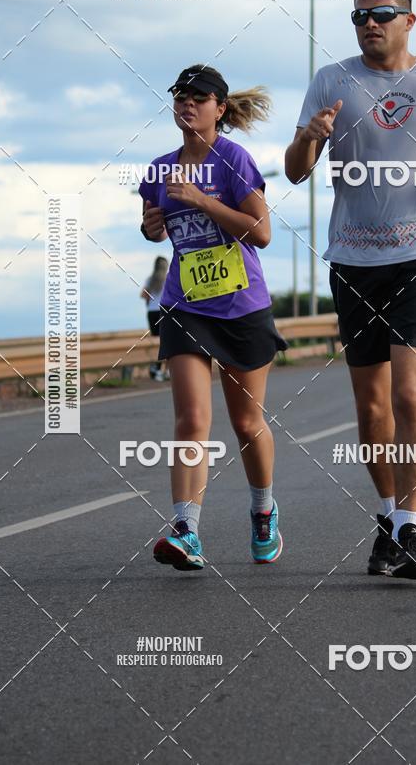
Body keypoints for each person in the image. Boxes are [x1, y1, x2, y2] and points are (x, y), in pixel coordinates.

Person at [285, 0, 416, 579]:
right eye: (358, 16)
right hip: (352, 259)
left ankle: (408, 526)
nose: (368, 24)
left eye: (381, 13)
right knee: (371, 406)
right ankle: (385, 512)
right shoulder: (332, 80)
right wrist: (309, 137)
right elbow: (296, 172)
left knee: (409, 394)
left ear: (409, 20)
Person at [139, 64, 287, 571]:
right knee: (191, 420)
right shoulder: (160, 168)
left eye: (198, 97)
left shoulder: (233, 159)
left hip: (240, 307)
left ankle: (263, 510)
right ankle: (186, 531)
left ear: (219, 108)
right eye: (180, 96)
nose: (187, 103)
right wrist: (152, 225)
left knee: (246, 423)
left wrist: (202, 200)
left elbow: (261, 232)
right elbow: (153, 228)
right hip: (185, 307)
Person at [141, 255, 169, 380]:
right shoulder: (168, 278)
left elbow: (143, 295)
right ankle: (166, 370)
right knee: (166, 341)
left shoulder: (150, 279)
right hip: (164, 311)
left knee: (156, 341)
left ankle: (156, 369)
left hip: (152, 312)